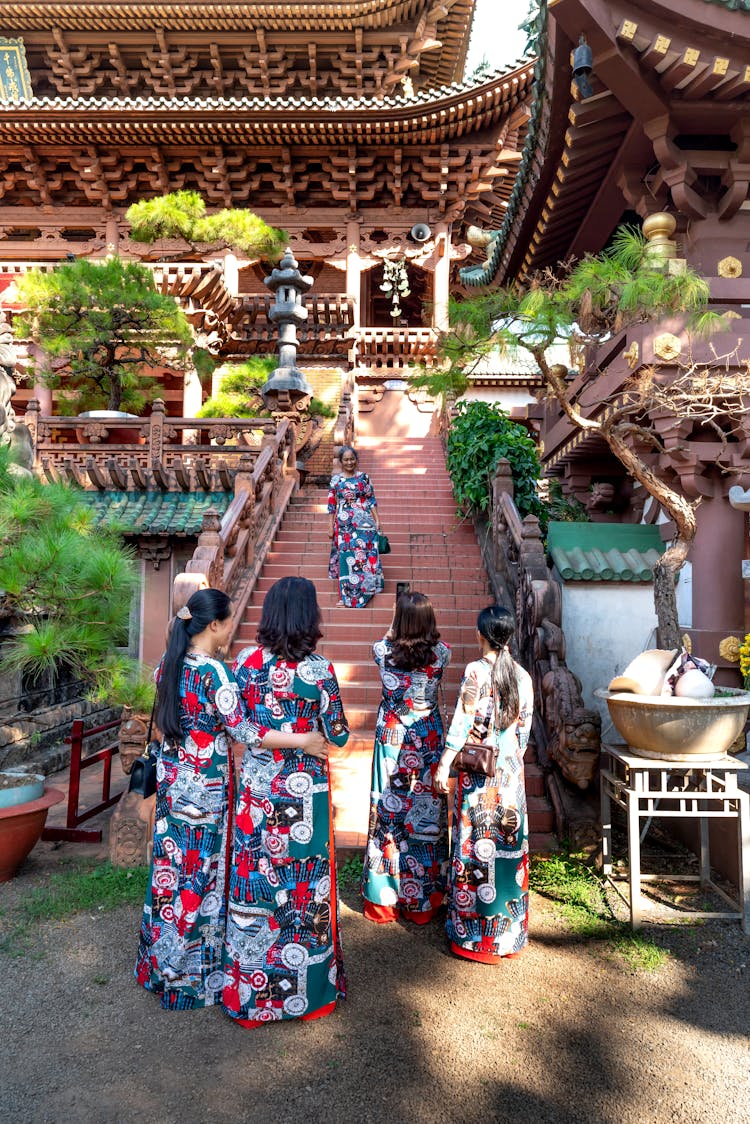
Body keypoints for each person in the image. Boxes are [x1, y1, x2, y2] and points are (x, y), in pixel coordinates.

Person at [135, 587, 325, 1010]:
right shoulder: (215, 674)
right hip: (205, 785)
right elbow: (246, 732)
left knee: (170, 869)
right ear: (216, 624)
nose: (229, 631)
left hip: (171, 777)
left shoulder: (166, 665)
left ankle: (158, 964)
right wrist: (303, 741)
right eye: (228, 622)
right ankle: (189, 977)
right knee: (201, 873)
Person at [222, 576, 350, 1025]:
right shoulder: (319, 670)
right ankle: (309, 994)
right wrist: (305, 737)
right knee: (304, 886)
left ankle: (251, 998)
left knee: (254, 884)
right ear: (309, 617)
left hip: (257, 793)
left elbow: (237, 727)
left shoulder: (244, 662)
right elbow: (337, 734)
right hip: (303, 794)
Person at [434, 605, 533, 962]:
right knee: (506, 852)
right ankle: (508, 935)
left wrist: (445, 763)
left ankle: (472, 937)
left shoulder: (476, 671)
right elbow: (524, 731)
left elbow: (462, 722)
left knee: (475, 849)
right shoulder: (523, 676)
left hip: (479, 775)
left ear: (482, 635)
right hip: (509, 775)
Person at [361, 591, 451, 924]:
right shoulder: (442, 654)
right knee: (425, 816)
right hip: (426, 737)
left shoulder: (382, 652)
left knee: (387, 811)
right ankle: (423, 900)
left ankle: (383, 900)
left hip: (393, 737)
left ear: (398, 620)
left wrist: (395, 626)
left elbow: (386, 639)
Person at [327, 444, 384, 608]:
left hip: (365, 525)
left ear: (356, 460)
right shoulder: (336, 480)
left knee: (364, 558)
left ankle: (365, 593)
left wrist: (378, 520)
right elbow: (331, 505)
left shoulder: (364, 478)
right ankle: (347, 598)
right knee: (346, 560)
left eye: (352, 459)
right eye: (346, 460)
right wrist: (329, 526)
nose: (349, 462)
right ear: (341, 461)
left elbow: (371, 500)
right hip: (344, 526)